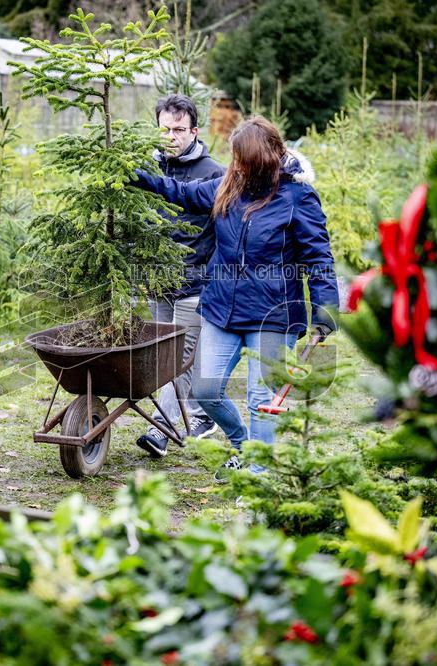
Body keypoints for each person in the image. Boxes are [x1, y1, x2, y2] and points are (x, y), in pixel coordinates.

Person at [133, 116, 338, 478]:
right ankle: (244, 447)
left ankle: (259, 472)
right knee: (206, 389)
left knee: (262, 399)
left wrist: (325, 310)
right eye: (235, 158)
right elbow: (182, 194)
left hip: (273, 314)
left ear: (261, 158)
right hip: (221, 308)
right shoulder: (229, 184)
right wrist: (139, 176)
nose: (236, 165)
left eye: (242, 159)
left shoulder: (297, 196)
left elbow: (318, 256)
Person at [135, 94, 226, 458]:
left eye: (178, 129)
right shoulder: (148, 169)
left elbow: (226, 232)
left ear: (194, 131)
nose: (170, 136)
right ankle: (194, 416)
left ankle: (159, 431)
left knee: (180, 359)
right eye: (164, 129)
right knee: (161, 358)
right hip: (157, 283)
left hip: (195, 285)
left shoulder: (214, 173)